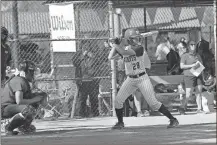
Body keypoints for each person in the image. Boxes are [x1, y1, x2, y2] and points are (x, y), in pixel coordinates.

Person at [108, 28, 179, 129]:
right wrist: (116, 44)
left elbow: (124, 53)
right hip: (130, 79)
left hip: (142, 78)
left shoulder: (139, 48)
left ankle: (173, 120)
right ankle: (120, 123)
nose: (137, 40)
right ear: (129, 40)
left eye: (137, 38)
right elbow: (110, 57)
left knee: (153, 104)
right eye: (134, 38)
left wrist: (116, 44)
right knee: (118, 101)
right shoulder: (125, 49)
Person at [1, 60, 47, 135]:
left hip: (11, 106)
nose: (33, 74)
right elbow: (19, 101)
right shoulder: (19, 80)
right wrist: (35, 99)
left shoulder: (24, 80)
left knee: (34, 104)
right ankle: (8, 127)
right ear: (23, 72)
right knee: (29, 109)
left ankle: (24, 127)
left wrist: (40, 97)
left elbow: (27, 97)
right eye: (31, 72)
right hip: (4, 108)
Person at [179, 40, 204, 115]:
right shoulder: (185, 55)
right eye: (191, 44)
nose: (193, 46)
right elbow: (181, 66)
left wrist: (202, 75)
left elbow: (201, 65)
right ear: (188, 46)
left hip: (198, 75)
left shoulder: (198, 55)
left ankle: (199, 109)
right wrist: (192, 66)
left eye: (194, 44)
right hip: (189, 76)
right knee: (188, 94)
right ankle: (182, 107)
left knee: (198, 92)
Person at [77, 41, 100, 118]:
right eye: (84, 46)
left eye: (87, 46)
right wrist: (83, 55)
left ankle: (95, 113)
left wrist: (90, 55)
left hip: (93, 79)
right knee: (82, 98)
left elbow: (99, 60)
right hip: (83, 80)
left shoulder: (93, 54)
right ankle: (82, 113)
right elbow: (75, 62)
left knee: (93, 97)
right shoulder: (79, 54)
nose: (86, 47)